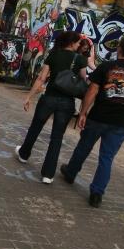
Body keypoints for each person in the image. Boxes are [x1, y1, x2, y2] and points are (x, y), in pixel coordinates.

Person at [60, 35, 124, 207]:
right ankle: (97, 194)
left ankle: (71, 172)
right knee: (107, 158)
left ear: (119, 48)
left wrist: (83, 112)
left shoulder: (107, 67)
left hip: (99, 116)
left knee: (84, 147)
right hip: (121, 122)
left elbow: (92, 90)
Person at [14, 31, 87, 184]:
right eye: (78, 42)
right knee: (57, 137)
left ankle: (24, 154)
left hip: (49, 98)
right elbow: (83, 80)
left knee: (35, 127)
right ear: (72, 43)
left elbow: (42, 78)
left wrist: (29, 97)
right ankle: (48, 174)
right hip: (67, 102)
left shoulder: (54, 54)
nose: (80, 45)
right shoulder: (80, 59)